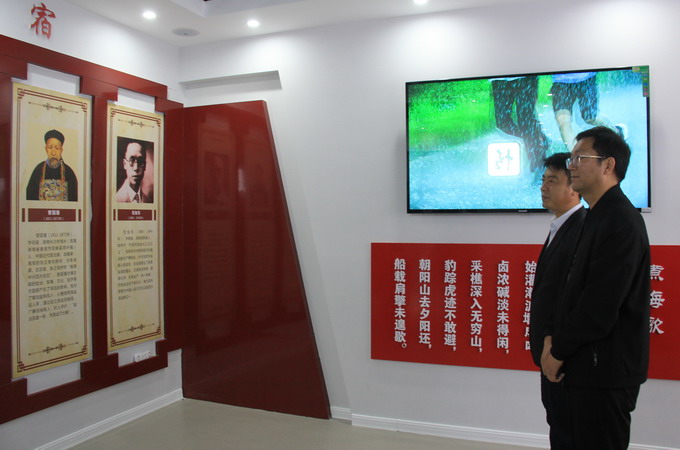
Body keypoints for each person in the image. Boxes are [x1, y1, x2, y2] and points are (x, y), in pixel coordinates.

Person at [542, 126, 650, 449]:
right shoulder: (595, 216)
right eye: (571, 158)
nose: (572, 165)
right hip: (583, 369)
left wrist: (557, 351)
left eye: (580, 158)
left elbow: (599, 306)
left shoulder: (621, 221)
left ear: (608, 165)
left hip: (603, 373)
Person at [529, 152, 586, 449]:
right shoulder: (561, 226)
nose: (543, 187)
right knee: (559, 427)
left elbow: (573, 300)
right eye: (543, 180)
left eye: (553, 181)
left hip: (564, 357)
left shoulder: (582, 229)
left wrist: (555, 347)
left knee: (570, 432)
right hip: (551, 354)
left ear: (573, 185)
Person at [491, 76, 550, 173]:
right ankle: (537, 139)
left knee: (526, 120)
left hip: (525, 76)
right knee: (502, 122)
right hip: (499, 78)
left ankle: (538, 165)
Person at [550, 72, 617, 151]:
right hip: (560, 81)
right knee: (563, 121)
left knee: (590, 119)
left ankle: (616, 132)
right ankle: (576, 155)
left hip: (586, 78)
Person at [26, 129, 78, 201]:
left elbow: (74, 200)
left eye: (57, 148)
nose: (53, 153)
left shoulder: (69, 172)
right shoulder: (38, 170)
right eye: (50, 147)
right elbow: (30, 198)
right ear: (46, 149)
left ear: (61, 150)